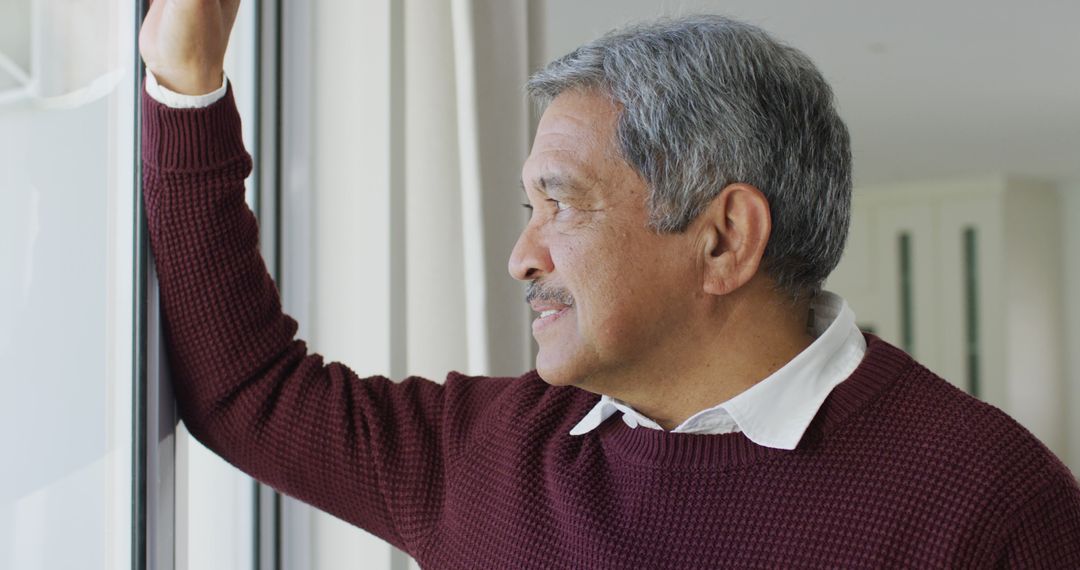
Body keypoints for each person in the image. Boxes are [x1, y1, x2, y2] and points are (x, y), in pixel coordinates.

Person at [139, 1, 1080, 567]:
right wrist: (187, 84)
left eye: (563, 205)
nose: (523, 256)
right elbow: (248, 394)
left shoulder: (992, 506)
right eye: (528, 207)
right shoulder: (487, 456)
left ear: (724, 239)